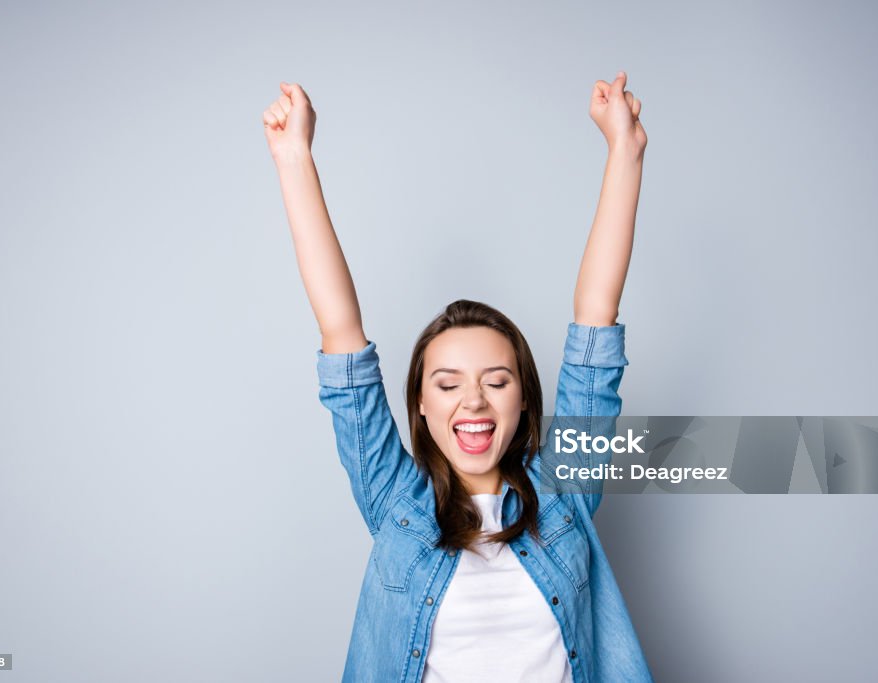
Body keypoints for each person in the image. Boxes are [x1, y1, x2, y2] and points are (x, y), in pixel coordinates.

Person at [263, 73, 652, 682]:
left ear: (525, 400)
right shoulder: (396, 503)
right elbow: (340, 332)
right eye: (447, 384)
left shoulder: (566, 494)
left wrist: (624, 152)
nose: (473, 400)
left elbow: (596, 324)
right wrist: (294, 160)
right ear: (419, 403)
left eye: (497, 381)